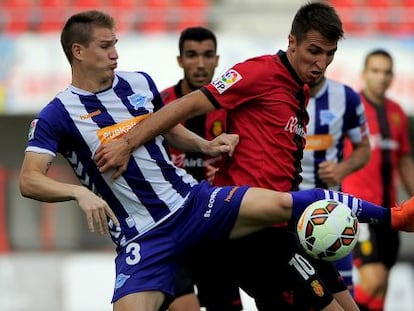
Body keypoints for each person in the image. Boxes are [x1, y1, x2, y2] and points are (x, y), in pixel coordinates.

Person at [18, 9, 406, 311]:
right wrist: (77, 193)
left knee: (288, 206)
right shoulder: (57, 114)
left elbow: (166, 127)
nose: (115, 53)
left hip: (192, 204)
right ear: (78, 51)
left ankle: (393, 215)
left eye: (116, 43)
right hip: (142, 236)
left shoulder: (138, 84)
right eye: (105, 46)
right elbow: (29, 180)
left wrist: (205, 146)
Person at [161, 27, 241, 311]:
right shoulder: (161, 104)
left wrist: (225, 174)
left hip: (215, 228)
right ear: (180, 60)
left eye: (208, 55)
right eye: (192, 55)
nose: (201, 63)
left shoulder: (232, 107)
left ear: (217, 60)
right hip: (173, 227)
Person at [342, 49, 414, 311]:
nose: (381, 77)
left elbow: (404, 160)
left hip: (390, 212)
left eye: (386, 72)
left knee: (380, 290)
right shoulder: (351, 109)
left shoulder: (396, 112)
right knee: (374, 279)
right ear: (364, 74)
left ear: (393, 75)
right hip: (359, 210)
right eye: (375, 70)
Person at [300, 75, 371, 295]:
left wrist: (343, 168)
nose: (318, 62)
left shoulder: (346, 97)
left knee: (342, 294)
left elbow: (363, 149)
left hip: (331, 213)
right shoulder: (276, 92)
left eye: (326, 54)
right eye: (313, 51)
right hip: (284, 212)